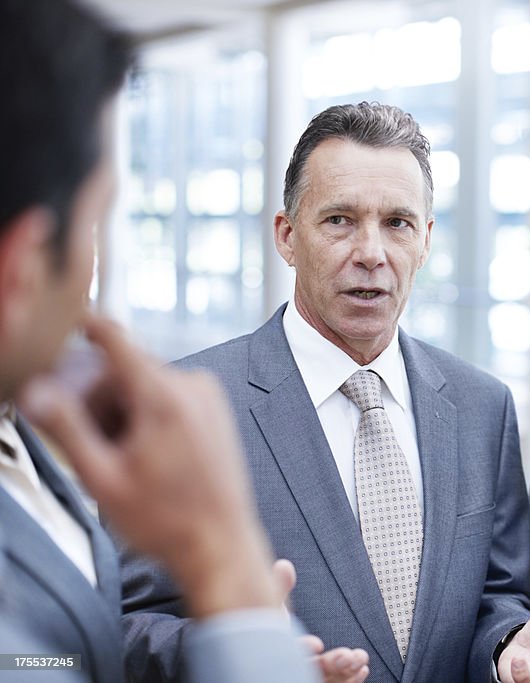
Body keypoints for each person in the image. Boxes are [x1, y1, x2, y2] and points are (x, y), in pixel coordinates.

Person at [119, 102, 530, 683]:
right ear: (287, 236)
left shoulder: (481, 407)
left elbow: (495, 598)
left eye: (397, 223)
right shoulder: (187, 405)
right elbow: (128, 625)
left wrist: (507, 650)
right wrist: (238, 656)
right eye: (339, 220)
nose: (371, 252)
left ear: (426, 241)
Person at [0, 0, 340, 681]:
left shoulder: (34, 427)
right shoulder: (202, 394)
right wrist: (231, 579)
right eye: (98, 218)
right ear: (26, 263)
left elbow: (70, 644)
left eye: (399, 222)